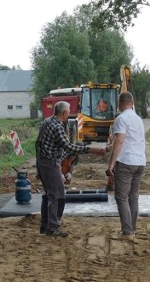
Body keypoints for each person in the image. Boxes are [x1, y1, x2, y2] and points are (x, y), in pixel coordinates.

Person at [36, 101, 106, 237]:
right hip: (50, 163)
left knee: (48, 195)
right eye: (68, 111)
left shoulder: (46, 122)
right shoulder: (57, 127)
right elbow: (69, 147)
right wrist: (92, 149)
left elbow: (39, 143)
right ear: (64, 113)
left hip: (42, 162)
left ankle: (45, 225)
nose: (69, 114)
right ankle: (53, 227)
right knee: (57, 196)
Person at [106, 92, 146, 241]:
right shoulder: (138, 119)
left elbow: (120, 141)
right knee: (133, 197)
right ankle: (132, 229)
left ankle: (127, 232)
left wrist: (111, 163)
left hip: (126, 162)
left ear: (120, 103)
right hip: (140, 161)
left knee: (121, 197)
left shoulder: (121, 119)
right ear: (132, 102)